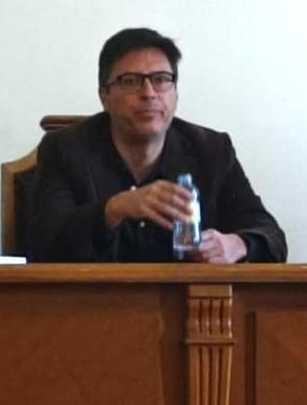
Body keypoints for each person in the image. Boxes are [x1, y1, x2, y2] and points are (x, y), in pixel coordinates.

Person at [29, 28, 286, 263]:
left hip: (186, 307)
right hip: (91, 307)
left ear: (176, 93)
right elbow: (40, 246)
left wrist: (236, 244)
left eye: (161, 79)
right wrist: (113, 209)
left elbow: (271, 237)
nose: (149, 93)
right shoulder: (64, 150)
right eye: (130, 81)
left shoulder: (212, 151)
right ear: (104, 95)